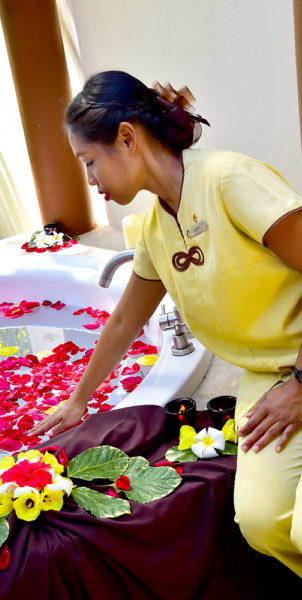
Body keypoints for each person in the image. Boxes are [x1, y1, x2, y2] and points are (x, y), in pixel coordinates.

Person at [28, 70, 302, 576]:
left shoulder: (229, 179)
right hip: (269, 378)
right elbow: (125, 321)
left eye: (89, 161)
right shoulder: (157, 226)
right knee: (262, 523)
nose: (90, 180)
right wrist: (79, 398)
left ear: (127, 138)